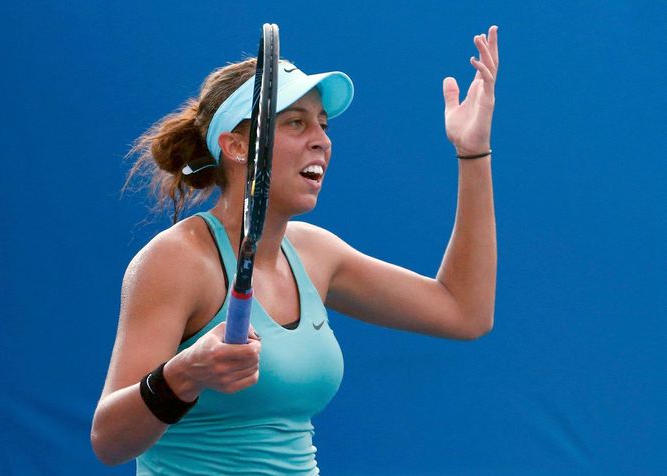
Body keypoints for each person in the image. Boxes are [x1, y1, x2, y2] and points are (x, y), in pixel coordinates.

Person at [91, 25, 499, 475]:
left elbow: (465, 312)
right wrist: (185, 374)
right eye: (296, 122)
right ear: (237, 146)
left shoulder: (315, 253)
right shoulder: (177, 261)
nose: (322, 139)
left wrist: (473, 153)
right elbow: (109, 442)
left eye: (323, 124)